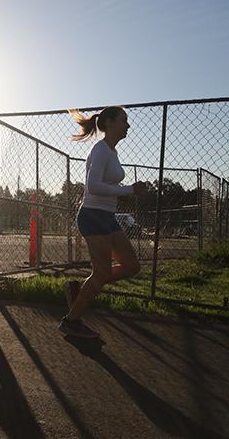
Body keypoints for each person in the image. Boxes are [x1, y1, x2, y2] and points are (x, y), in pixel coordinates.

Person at [59, 106, 145, 338]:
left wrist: (128, 190)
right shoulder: (100, 150)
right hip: (93, 216)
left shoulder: (112, 152)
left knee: (131, 266)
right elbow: (92, 186)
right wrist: (130, 190)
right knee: (101, 273)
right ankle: (71, 321)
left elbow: (105, 186)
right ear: (108, 123)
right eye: (124, 121)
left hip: (107, 217)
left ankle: (79, 290)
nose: (128, 125)